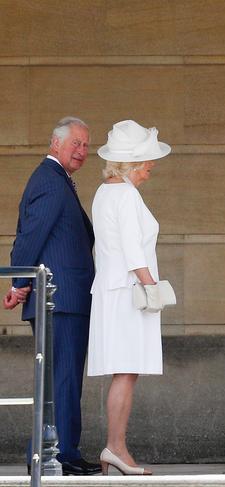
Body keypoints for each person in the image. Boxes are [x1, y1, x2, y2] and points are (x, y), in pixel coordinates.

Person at [3, 117, 100, 475]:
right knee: (61, 378)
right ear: (55, 143)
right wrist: (18, 283)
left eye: (87, 145)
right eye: (76, 143)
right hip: (59, 300)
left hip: (64, 299)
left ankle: (60, 452)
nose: (82, 150)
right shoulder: (49, 180)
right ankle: (55, 455)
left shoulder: (58, 181)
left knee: (64, 378)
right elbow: (31, 236)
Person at [87, 120, 171, 475]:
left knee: (126, 370)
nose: (150, 169)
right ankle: (115, 447)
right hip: (127, 292)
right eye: (147, 163)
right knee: (126, 371)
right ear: (133, 164)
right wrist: (154, 288)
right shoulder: (123, 194)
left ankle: (115, 447)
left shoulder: (106, 191)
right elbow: (134, 251)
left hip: (114, 290)